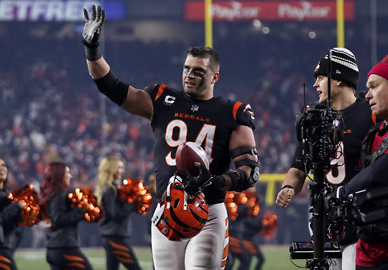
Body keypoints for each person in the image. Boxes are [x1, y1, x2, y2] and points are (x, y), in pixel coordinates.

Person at [81, 5, 260, 269]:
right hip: (167, 209)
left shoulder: (231, 112)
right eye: (187, 68)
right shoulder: (163, 99)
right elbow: (111, 86)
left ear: (215, 76)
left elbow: (249, 172)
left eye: (198, 71)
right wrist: (92, 50)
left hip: (208, 211)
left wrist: (215, 181)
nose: (189, 75)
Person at [275, 47, 377, 270]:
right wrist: (288, 187)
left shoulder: (371, 113)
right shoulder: (314, 118)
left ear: (339, 78)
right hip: (325, 216)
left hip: (362, 215)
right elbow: (298, 167)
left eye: (320, 77)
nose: (315, 84)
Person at [328, 48, 388, 270]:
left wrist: (340, 193)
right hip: (368, 250)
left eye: (375, 87)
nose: (367, 95)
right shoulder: (374, 133)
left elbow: (383, 169)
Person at [39, 161, 93, 270]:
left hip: (53, 248)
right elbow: (59, 219)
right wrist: (81, 209)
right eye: (67, 173)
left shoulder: (50, 194)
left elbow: (51, 221)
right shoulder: (59, 194)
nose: (70, 175)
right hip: (65, 247)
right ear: (59, 176)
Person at [95, 157, 142, 270]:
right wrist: (132, 201)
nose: (123, 171)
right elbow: (115, 215)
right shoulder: (110, 189)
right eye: (119, 168)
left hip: (112, 236)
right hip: (116, 238)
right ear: (111, 169)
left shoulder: (110, 188)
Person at [0, 156, 26, 270]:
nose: (1, 168)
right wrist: (15, 207)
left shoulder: (6, 194)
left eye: (3, 165)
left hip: (4, 247)